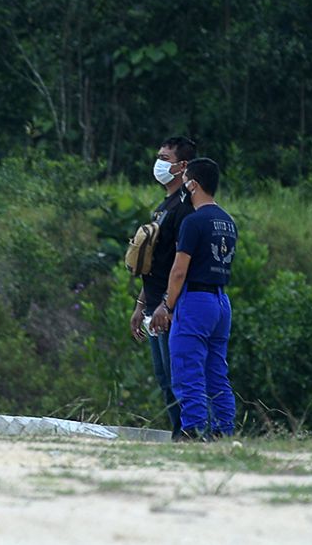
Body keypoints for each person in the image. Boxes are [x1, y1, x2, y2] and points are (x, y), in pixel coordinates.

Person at [150, 158, 238, 440]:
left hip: (195, 300)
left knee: (187, 369)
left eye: (186, 178)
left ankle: (193, 429)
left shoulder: (193, 222)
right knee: (216, 372)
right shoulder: (228, 221)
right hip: (221, 302)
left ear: (194, 184)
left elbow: (178, 271)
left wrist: (167, 305)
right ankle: (223, 431)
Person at [129, 136, 197, 441]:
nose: (158, 163)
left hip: (170, 306)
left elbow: (180, 263)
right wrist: (141, 304)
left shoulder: (185, 207)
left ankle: (190, 432)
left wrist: (167, 304)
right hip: (154, 302)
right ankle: (177, 432)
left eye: (165, 158)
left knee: (177, 374)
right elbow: (155, 262)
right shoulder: (162, 206)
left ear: (183, 166)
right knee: (163, 377)